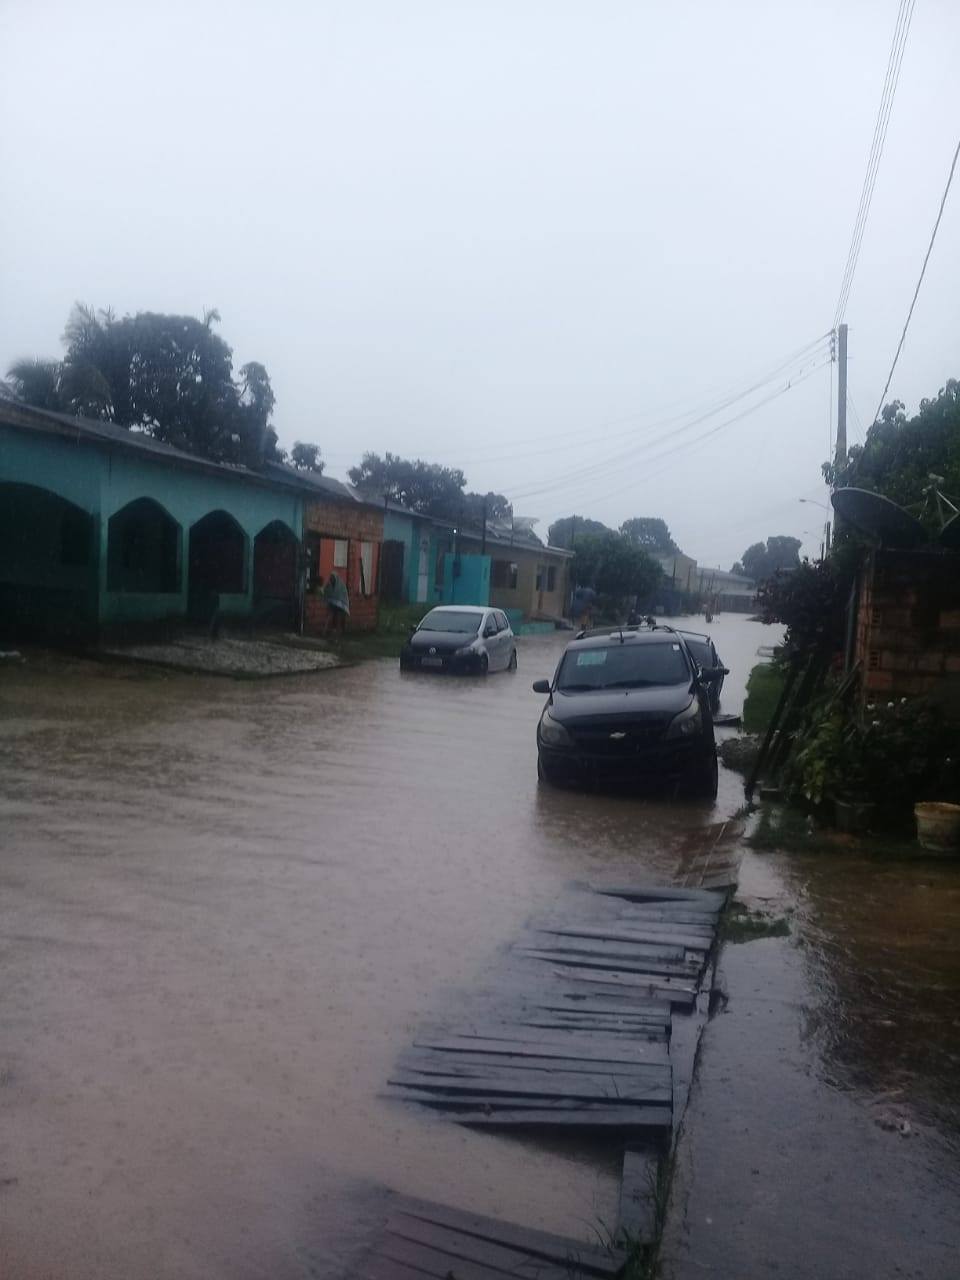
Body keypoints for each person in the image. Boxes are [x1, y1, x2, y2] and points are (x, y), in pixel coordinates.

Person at [322, 572, 350, 638]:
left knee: (338, 619)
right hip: (333, 604)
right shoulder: (329, 585)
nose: (331, 580)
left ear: (335, 578)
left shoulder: (341, 585)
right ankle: (326, 632)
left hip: (341, 605)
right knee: (329, 617)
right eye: (331, 578)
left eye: (332, 578)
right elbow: (326, 592)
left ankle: (337, 633)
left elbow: (342, 596)